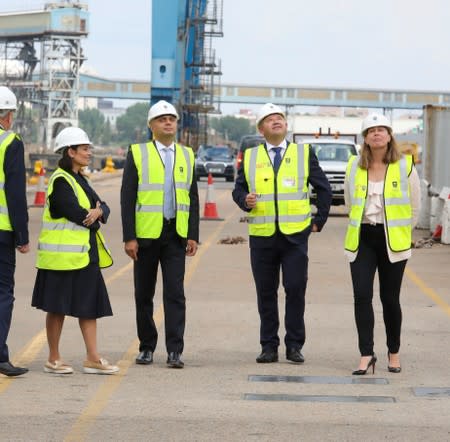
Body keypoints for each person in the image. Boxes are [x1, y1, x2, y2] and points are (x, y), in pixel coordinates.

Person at [232, 103, 332, 364]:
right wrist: (245, 200)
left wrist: (318, 220)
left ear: (286, 126)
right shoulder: (251, 156)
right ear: (261, 129)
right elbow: (238, 190)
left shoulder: (303, 153)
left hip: (295, 236)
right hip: (263, 235)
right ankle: (268, 345)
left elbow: (323, 188)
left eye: (280, 118)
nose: (276, 121)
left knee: (295, 288)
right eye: (269, 119)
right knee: (265, 292)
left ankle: (294, 345)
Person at [31, 127, 119, 375]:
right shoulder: (60, 181)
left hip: (84, 254)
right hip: (60, 257)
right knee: (56, 307)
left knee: (89, 307)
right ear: (71, 152)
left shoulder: (81, 179)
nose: (89, 153)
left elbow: (104, 209)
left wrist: (99, 211)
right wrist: (93, 213)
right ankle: (53, 358)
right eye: (84, 149)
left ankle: (92, 358)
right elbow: (76, 213)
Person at [121, 100, 199, 369]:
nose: (168, 122)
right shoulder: (138, 152)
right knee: (144, 294)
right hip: (145, 235)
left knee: (175, 293)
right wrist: (129, 236)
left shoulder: (188, 155)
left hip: (175, 234)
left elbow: (193, 196)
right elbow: (127, 196)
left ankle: (175, 350)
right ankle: (146, 346)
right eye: (162, 119)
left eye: (172, 119)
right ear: (151, 125)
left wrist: (192, 234)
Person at [345, 113, 421, 375]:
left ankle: (394, 351)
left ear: (390, 136)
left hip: (392, 242)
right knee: (361, 296)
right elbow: (349, 202)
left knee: (390, 298)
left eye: (381, 130)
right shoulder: (355, 166)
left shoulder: (405, 165)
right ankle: (366, 354)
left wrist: (399, 231)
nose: (376, 134)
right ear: (365, 138)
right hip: (363, 239)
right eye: (371, 131)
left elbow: (415, 207)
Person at [0, 86, 30, 377]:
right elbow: (15, 192)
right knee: (3, 293)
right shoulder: (10, 142)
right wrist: (23, 235)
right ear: (7, 116)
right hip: (2, 232)